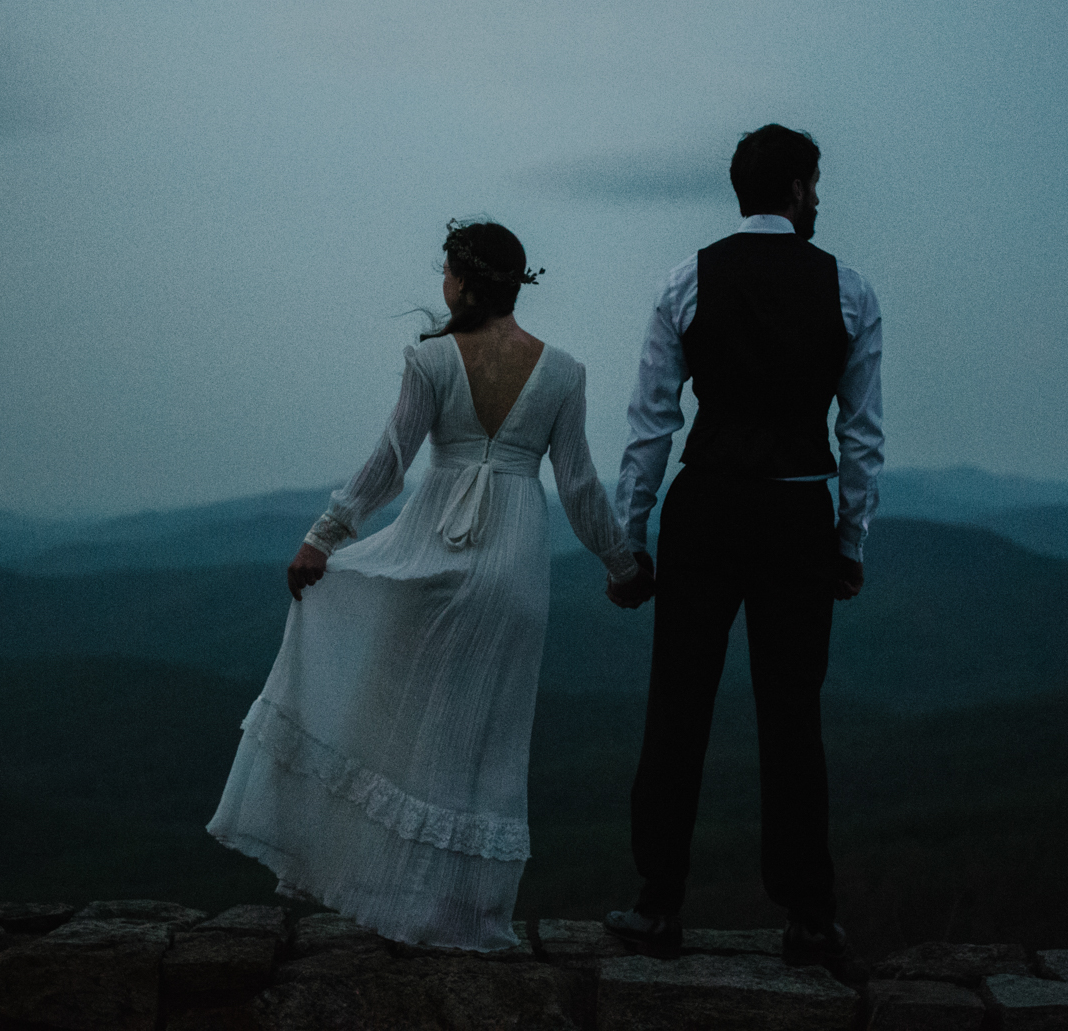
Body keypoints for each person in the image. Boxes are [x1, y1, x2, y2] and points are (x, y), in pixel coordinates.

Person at [207, 219, 640, 951]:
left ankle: (395, 897)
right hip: (514, 568)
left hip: (430, 551)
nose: (441, 282)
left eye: (447, 269)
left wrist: (324, 536)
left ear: (466, 280)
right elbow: (577, 486)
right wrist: (624, 564)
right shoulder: (563, 371)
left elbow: (390, 462)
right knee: (486, 741)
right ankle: (466, 914)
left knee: (402, 723)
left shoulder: (432, 359)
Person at [602, 124, 883, 973]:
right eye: (815, 184)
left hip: (708, 508)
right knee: (791, 712)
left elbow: (651, 423)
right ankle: (806, 914)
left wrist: (631, 543)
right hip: (798, 509)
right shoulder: (851, 290)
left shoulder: (685, 282)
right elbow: (861, 434)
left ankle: (658, 903)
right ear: (796, 188)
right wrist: (850, 538)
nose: (818, 200)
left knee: (678, 701)